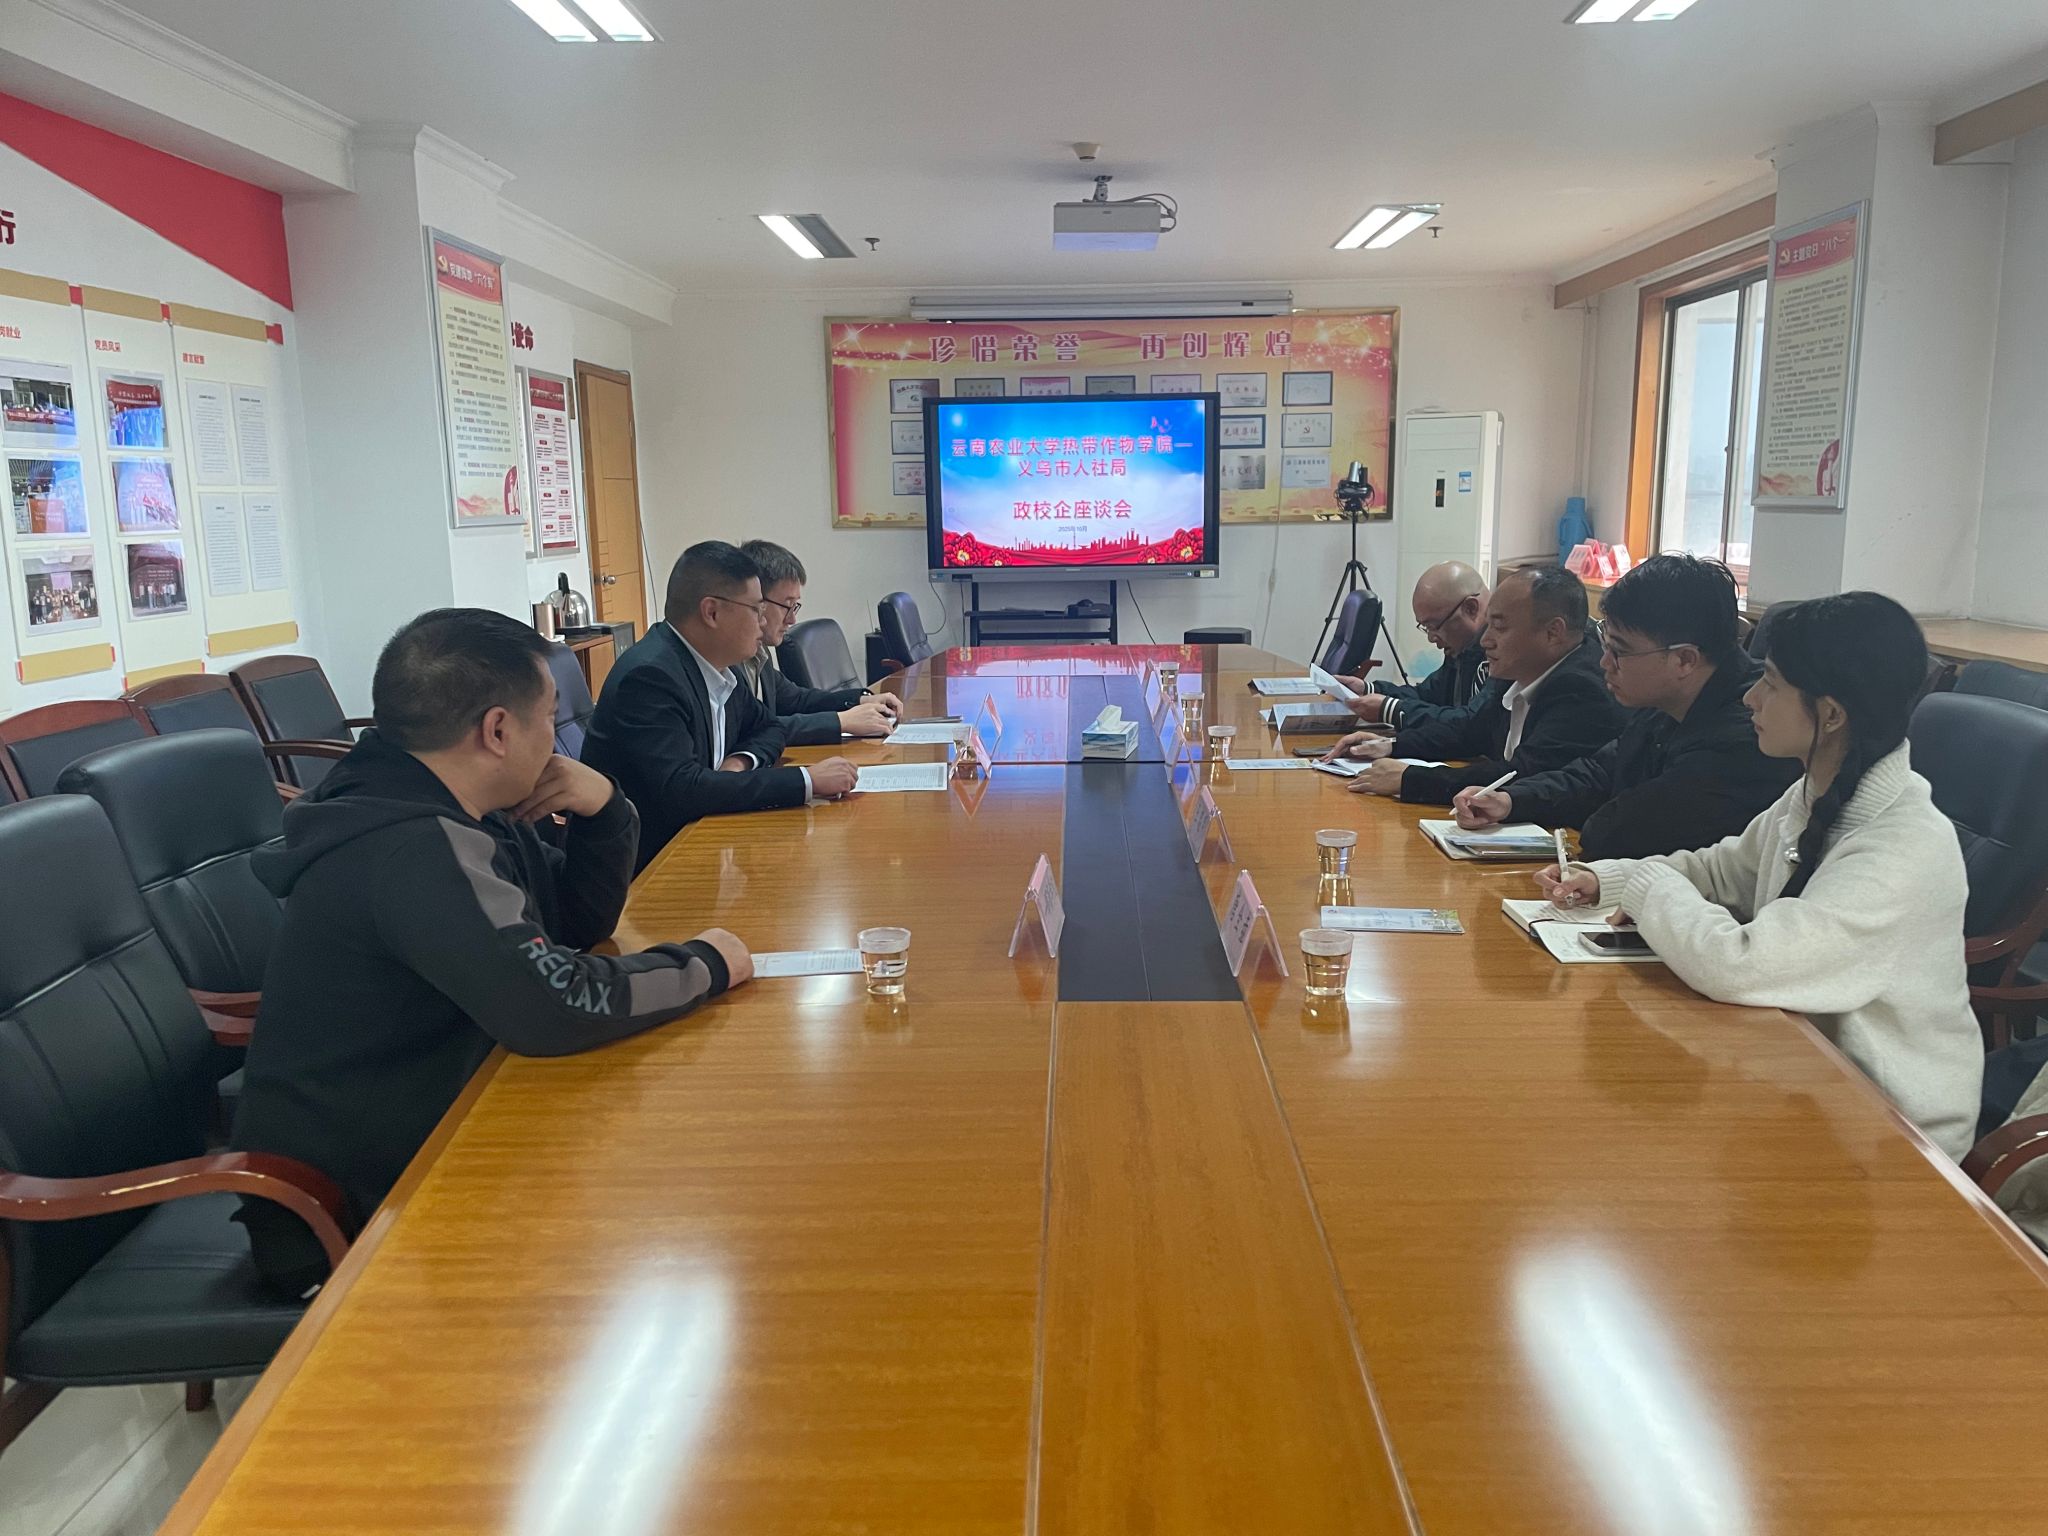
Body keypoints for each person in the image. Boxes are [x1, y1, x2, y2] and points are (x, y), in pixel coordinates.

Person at [232, 608, 751, 1297]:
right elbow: (555, 1005)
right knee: (655, 1222)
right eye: (550, 718)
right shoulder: (414, 846)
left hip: (437, 1115)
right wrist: (705, 966)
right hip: (349, 1207)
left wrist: (605, 808)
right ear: (498, 731)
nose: (557, 741)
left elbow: (572, 925)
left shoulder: (447, 807)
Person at [1538, 593, 1982, 1160]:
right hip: (1799, 1075)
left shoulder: (1903, 847)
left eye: (1770, 683)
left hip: (1889, 1130)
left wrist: (1648, 885)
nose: (1751, 697)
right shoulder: (1816, 791)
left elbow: (1741, 965)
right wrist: (1612, 881)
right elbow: (1723, 870)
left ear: (1831, 715)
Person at [1451, 554, 1799, 858]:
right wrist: (1511, 801)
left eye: (1619, 651)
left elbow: (1615, 832)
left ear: (1684, 660)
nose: (1604, 662)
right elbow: (1598, 772)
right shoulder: (1665, 698)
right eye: (1606, 644)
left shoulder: (1748, 733)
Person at [583, 541, 858, 871]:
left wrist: (739, 762)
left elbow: (769, 726)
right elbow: (684, 790)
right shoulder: (650, 678)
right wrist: (806, 780)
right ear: (711, 612)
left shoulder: (718, 666)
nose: (762, 622)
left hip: (708, 844)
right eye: (755, 609)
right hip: (654, 867)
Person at [1325, 565, 1624, 803]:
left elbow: (1519, 776)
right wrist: (1390, 746)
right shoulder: (1520, 667)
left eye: (1499, 627)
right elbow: (1471, 730)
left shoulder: (1582, 690)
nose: (1485, 640)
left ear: (1553, 633)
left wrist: (1410, 779)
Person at [737, 538, 900, 745]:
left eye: (795, 606)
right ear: (756, 599)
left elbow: (797, 700)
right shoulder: (727, 661)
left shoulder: (760, 652)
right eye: (787, 606)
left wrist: (862, 699)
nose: (792, 619)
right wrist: (841, 721)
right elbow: (753, 730)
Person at [1336, 561, 1490, 727]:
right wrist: (1368, 689)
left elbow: (1471, 726)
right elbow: (1426, 695)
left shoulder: (1498, 657)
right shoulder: (1462, 649)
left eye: (1434, 626)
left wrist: (1392, 710)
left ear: (1471, 608)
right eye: (1425, 627)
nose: (1431, 638)